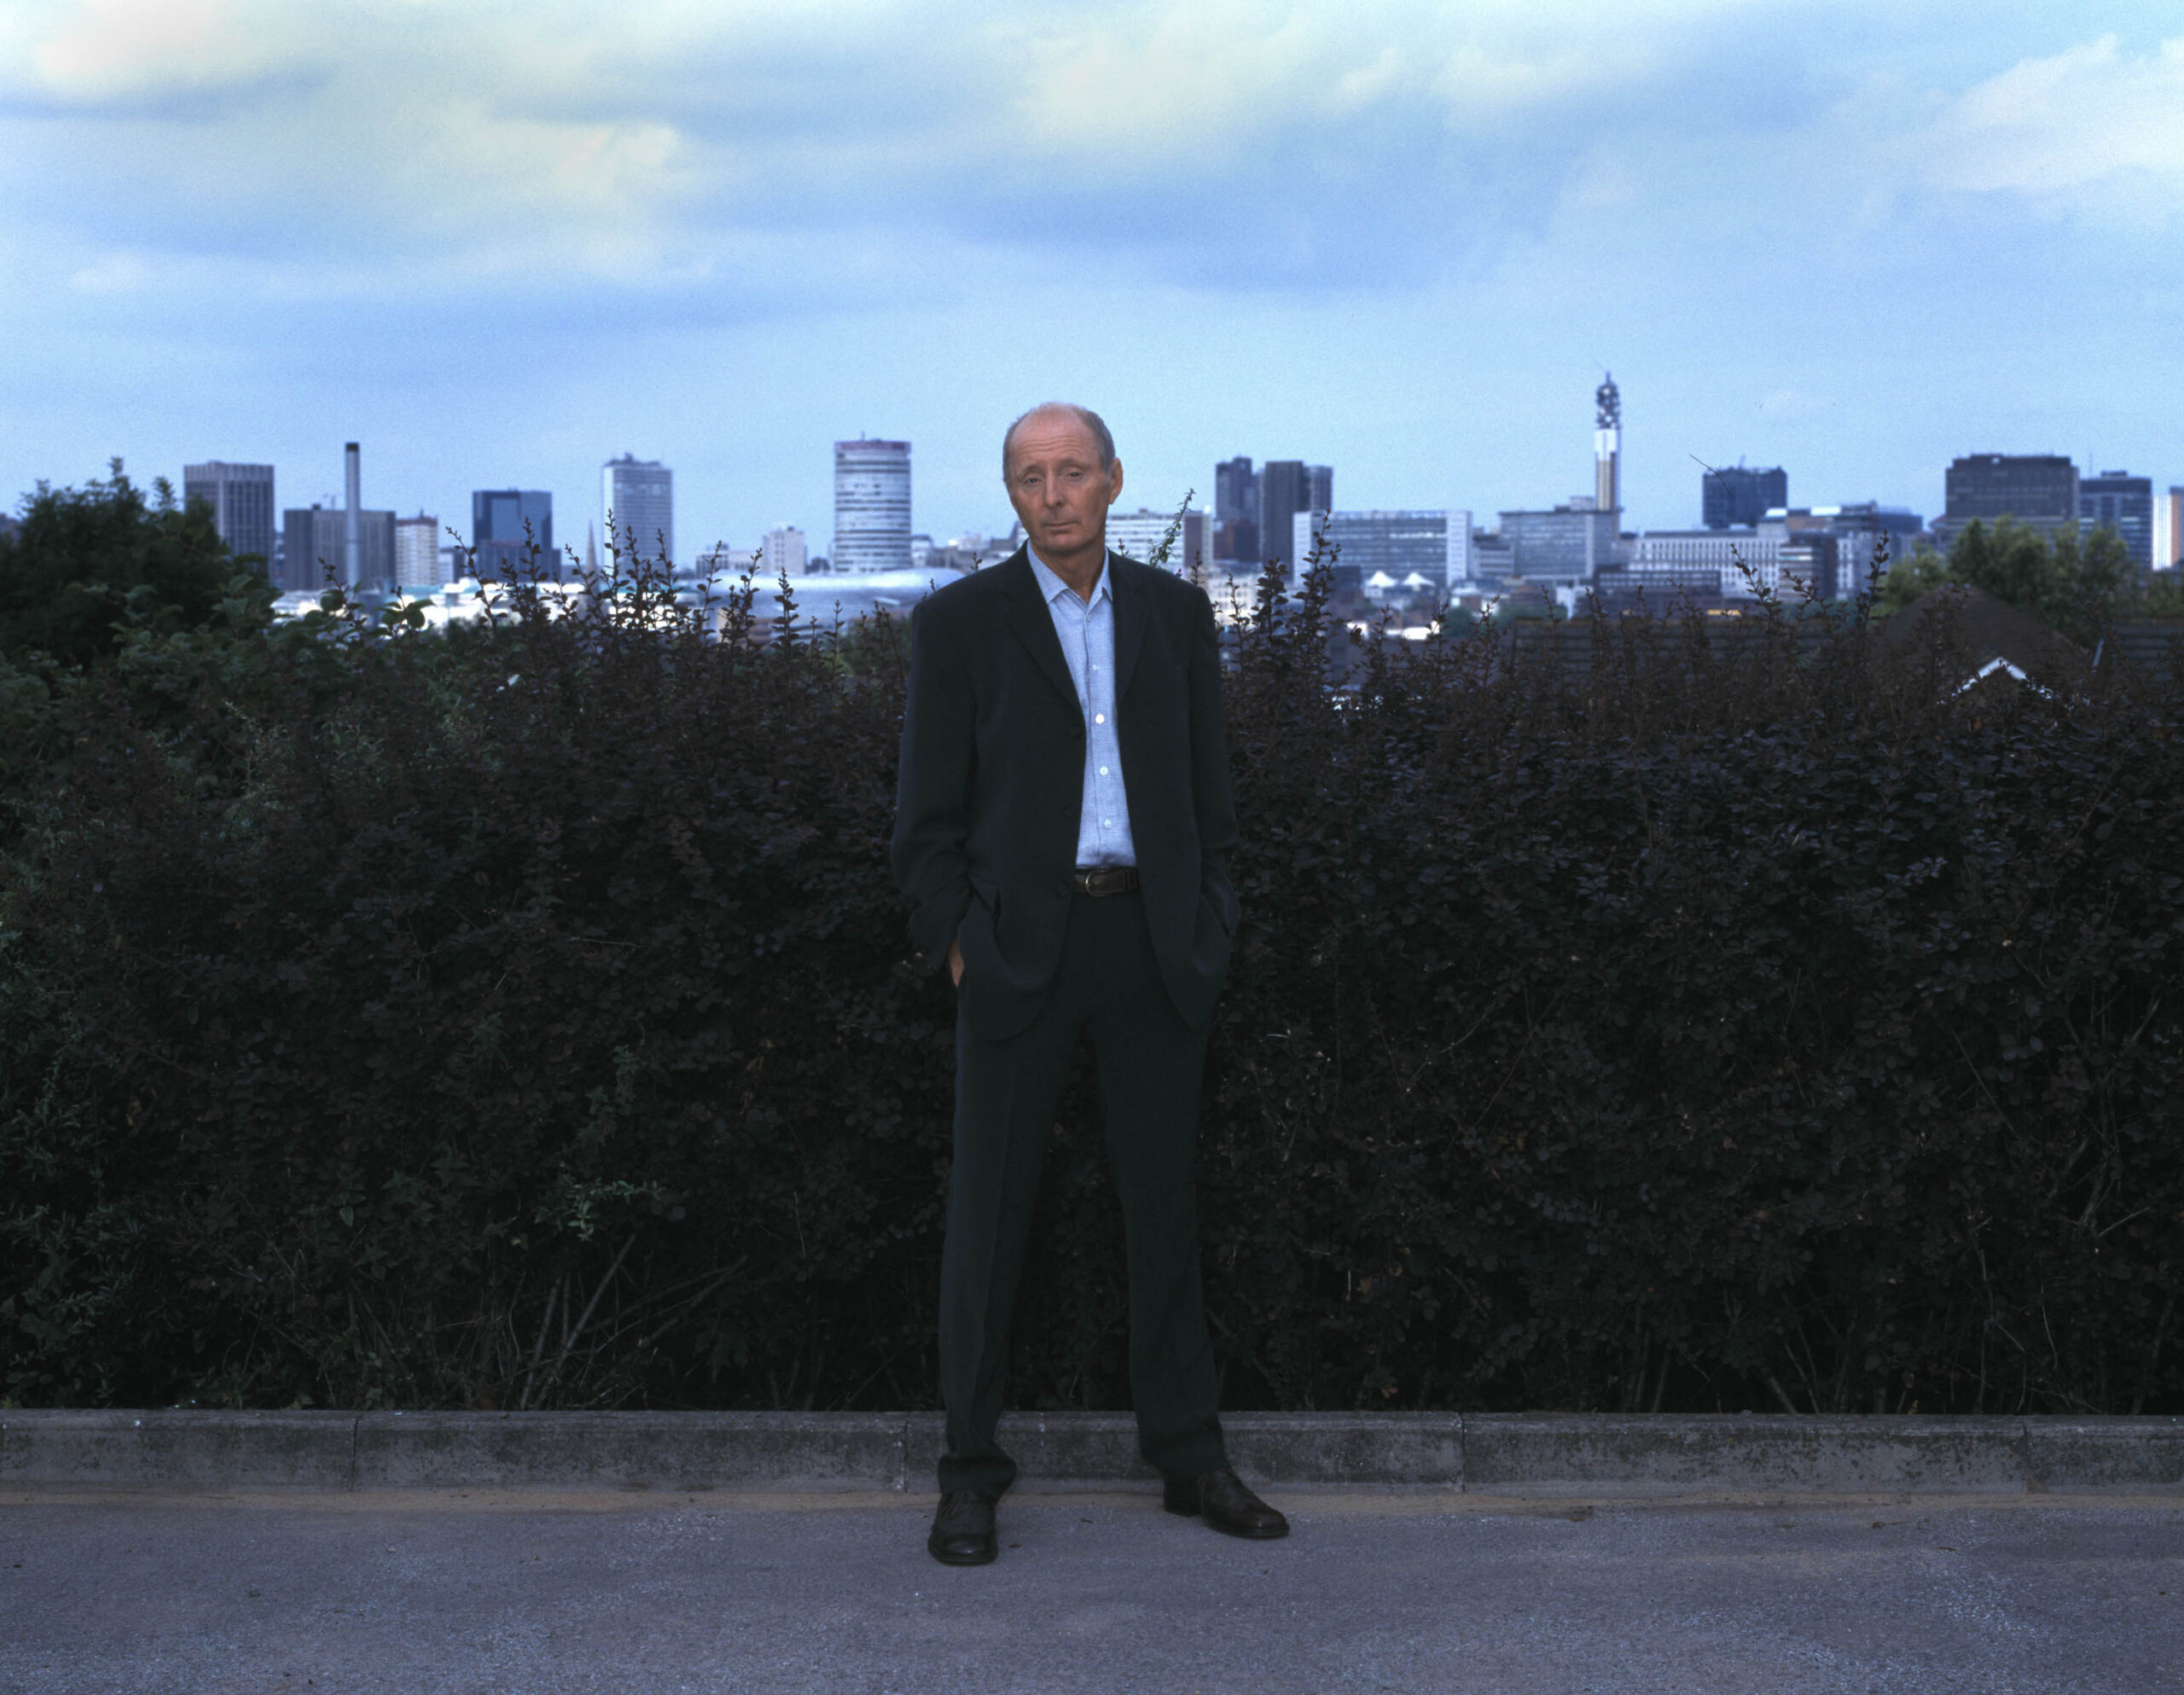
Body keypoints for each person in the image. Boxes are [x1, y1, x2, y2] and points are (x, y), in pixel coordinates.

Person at [892, 402, 1289, 1566]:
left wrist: (1207, 928)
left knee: (1166, 1212)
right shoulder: (960, 627)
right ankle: (969, 1474)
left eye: (1073, 473)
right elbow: (924, 827)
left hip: (1152, 947)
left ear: (1116, 482)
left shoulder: (1174, 616)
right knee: (989, 1224)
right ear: (1010, 493)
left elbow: (1213, 804)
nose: (1054, 494)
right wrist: (964, 947)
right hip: (1022, 952)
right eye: (1030, 476)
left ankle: (1190, 1459)